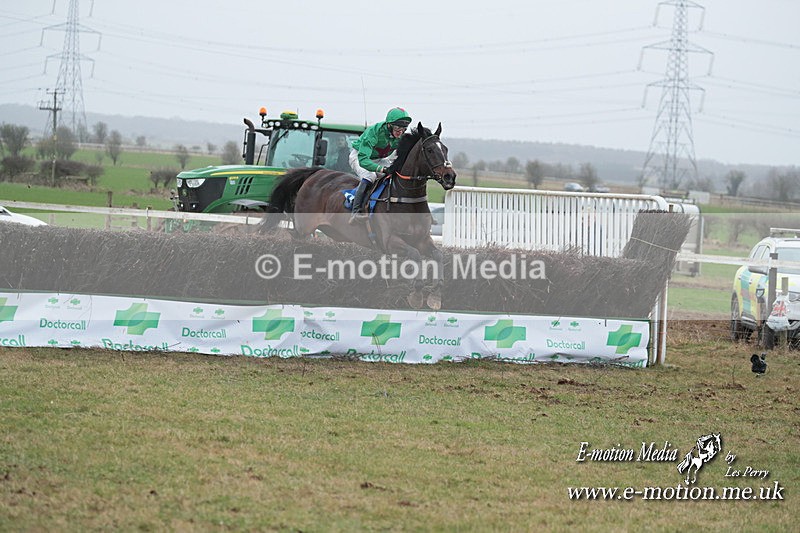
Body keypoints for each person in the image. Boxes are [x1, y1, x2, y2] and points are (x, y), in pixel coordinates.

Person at [348, 107, 412, 222]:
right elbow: (363, 160)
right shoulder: (374, 132)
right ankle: (356, 211)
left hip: (380, 158)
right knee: (370, 176)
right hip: (359, 157)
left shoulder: (400, 136)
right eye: (397, 127)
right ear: (389, 125)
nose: (400, 131)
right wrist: (381, 169)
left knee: (394, 175)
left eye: (403, 128)